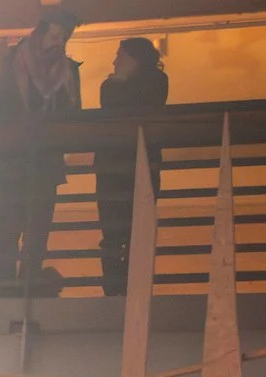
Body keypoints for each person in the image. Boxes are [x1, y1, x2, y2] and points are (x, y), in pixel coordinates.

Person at [0, 3, 82, 289]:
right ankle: (5, 293)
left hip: (42, 164)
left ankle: (29, 291)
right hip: (12, 164)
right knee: (5, 235)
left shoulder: (68, 71)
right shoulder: (12, 60)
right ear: (40, 33)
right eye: (54, 36)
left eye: (63, 38)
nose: (57, 43)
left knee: (36, 237)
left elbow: (74, 114)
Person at [95, 37, 170, 296]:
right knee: (113, 231)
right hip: (117, 167)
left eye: (121, 55)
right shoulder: (113, 85)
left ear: (135, 58)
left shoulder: (156, 81)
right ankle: (115, 288)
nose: (115, 61)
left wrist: (121, 82)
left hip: (134, 164)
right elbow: (111, 106)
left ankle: (131, 288)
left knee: (137, 229)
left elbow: (143, 105)